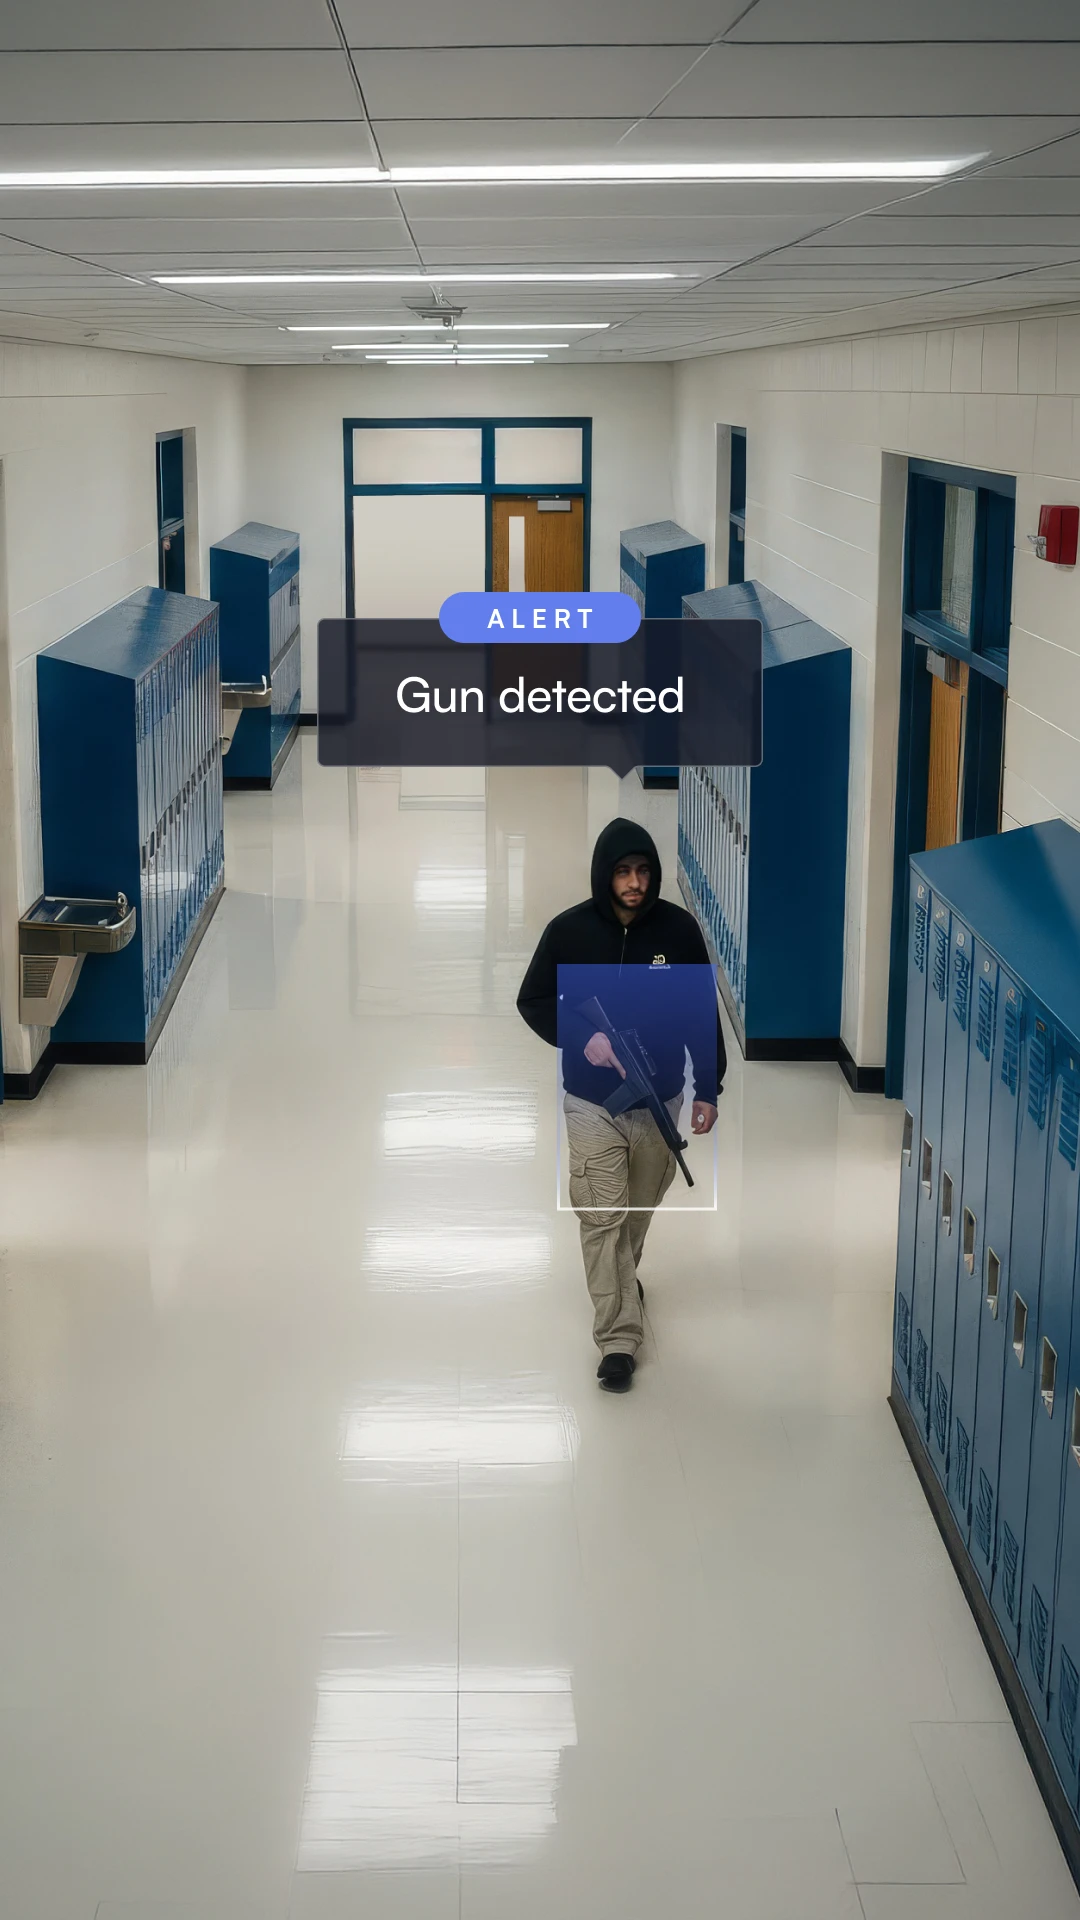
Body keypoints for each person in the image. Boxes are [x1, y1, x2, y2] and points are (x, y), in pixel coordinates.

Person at [517, 817, 724, 1392]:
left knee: (634, 1213)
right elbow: (531, 999)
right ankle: (617, 1339)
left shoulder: (679, 933)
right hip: (591, 1103)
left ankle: (622, 1280)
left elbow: (700, 1015)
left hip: (660, 1100)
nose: (634, 882)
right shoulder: (569, 933)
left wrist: (709, 1088)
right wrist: (580, 1036)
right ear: (604, 876)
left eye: (643, 871)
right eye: (623, 872)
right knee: (601, 1217)